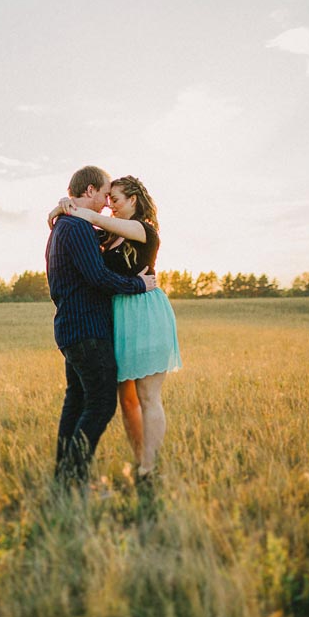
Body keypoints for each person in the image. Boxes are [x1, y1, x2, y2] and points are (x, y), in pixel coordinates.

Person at [53, 175, 182, 479]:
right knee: (126, 399)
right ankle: (139, 461)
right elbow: (84, 227)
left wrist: (66, 207)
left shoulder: (142, 230)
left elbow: (86, 215)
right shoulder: (109, 237)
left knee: (148, 396)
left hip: (146, 313)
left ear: (134, 200)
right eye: (108, 199)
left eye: (116, 199)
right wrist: (60, 209)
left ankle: (150, 469)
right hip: (118, 318)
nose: (110, 206)